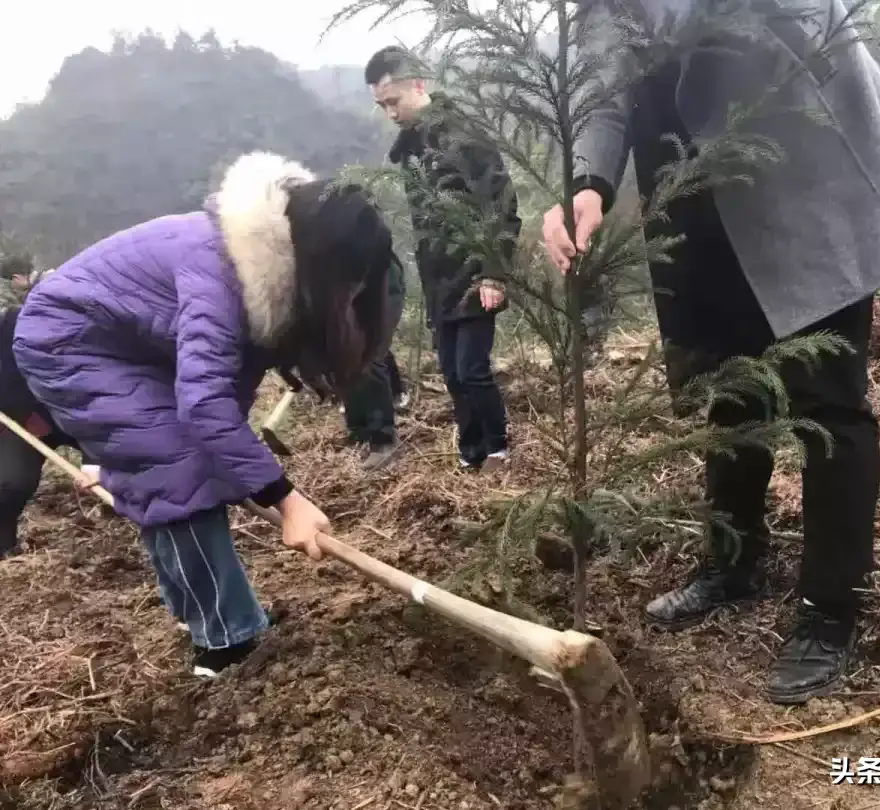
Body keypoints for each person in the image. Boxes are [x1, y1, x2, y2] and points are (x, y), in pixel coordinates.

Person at [541, 1, 880, 703]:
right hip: (689, 186)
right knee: (729, 389)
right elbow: (605, 67)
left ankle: (830, 610)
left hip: (797, 154)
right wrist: (589, 182)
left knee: (827, 402)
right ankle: (733, 564)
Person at [13, 151, 396, 678]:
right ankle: (228, 642)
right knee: (179, 467)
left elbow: (223, 394)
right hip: (66, 339)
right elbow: (204, 407)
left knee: (179, 463)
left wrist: (203, 464)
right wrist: (286, 501)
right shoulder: (219, 273)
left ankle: (197, 611)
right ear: (316, 261)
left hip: (127, 345)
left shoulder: (266, 275)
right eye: (346, 286)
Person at [366, 45, 521, 472]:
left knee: (472, 369)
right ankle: (470, 454)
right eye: (382, 106)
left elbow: (501, 204)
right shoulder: (413, 148)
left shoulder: (462, 135)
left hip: (474, 273)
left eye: (393, 102)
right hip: (441, 283)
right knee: (453, 373)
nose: (390, 113)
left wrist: (494, 273)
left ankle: (497, 449)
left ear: (418, 84)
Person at [0, 261, 84, 559]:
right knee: (9, 482)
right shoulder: (8, 324)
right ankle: (4, 546)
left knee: (125, 464)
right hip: (26, 421)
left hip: (86, 415)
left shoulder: (94, 332)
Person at [342, 253, 407, 470]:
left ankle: (385, 441)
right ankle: (360, 430)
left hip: (379, 279)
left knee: (370, 354)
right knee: (346, 354)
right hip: (347, 284)